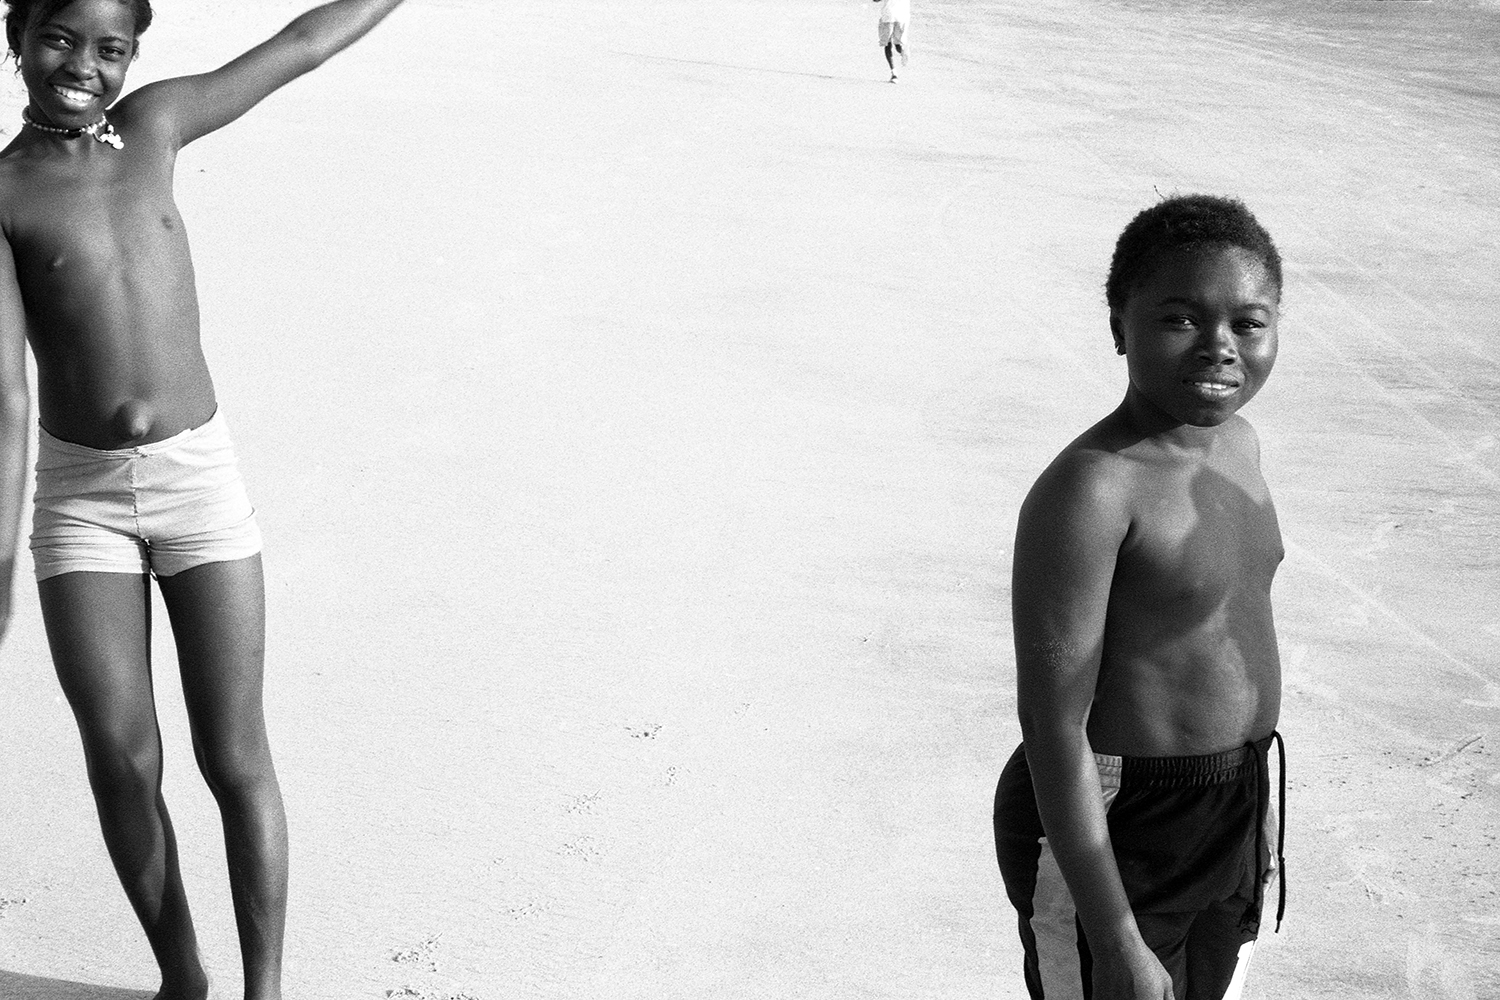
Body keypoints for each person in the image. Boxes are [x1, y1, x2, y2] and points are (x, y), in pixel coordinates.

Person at [0, 1, 409, 997]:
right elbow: (7, 395)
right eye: (58, 39)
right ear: (15, 36)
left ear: (134, 55)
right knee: (122, 760)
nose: (81, 67)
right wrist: (0, 570)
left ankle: (263, 988)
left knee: (235, 756)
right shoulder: (4, 192)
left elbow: (300, 45)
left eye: (109, 49)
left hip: (198, 482)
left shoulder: (158, 125)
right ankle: (184, 975)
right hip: (81, 499)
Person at [993, 194, 1288, 1000]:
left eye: (1249, 323)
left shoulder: (1240, 445)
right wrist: (1113, 937)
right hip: (1118, 823)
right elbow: (1051, 725)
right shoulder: (1092, 490)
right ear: (1120, 326)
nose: (1220, 347)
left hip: (1236, 801)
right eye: (1181, 320)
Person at [871, 0, 909, 83]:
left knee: (887, 44)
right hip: (902, 17)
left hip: (888, 16)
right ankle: (903, 51)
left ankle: (894, 74)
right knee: (898, 45)